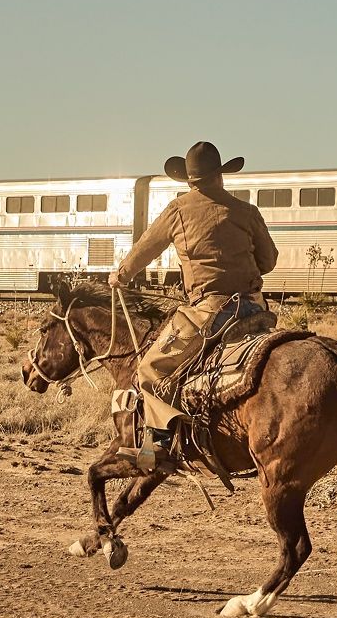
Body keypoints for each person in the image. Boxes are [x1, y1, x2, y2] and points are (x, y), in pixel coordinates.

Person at [108, 141, 278, 460]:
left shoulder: (178, 210)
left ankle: (156, 449)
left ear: (189, 180)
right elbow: (269, 261)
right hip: (256, 309)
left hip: (210, 312)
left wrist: (122, 274)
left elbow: (148, 246)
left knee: (151, 369)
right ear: (221, 175)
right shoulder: (247, 211)